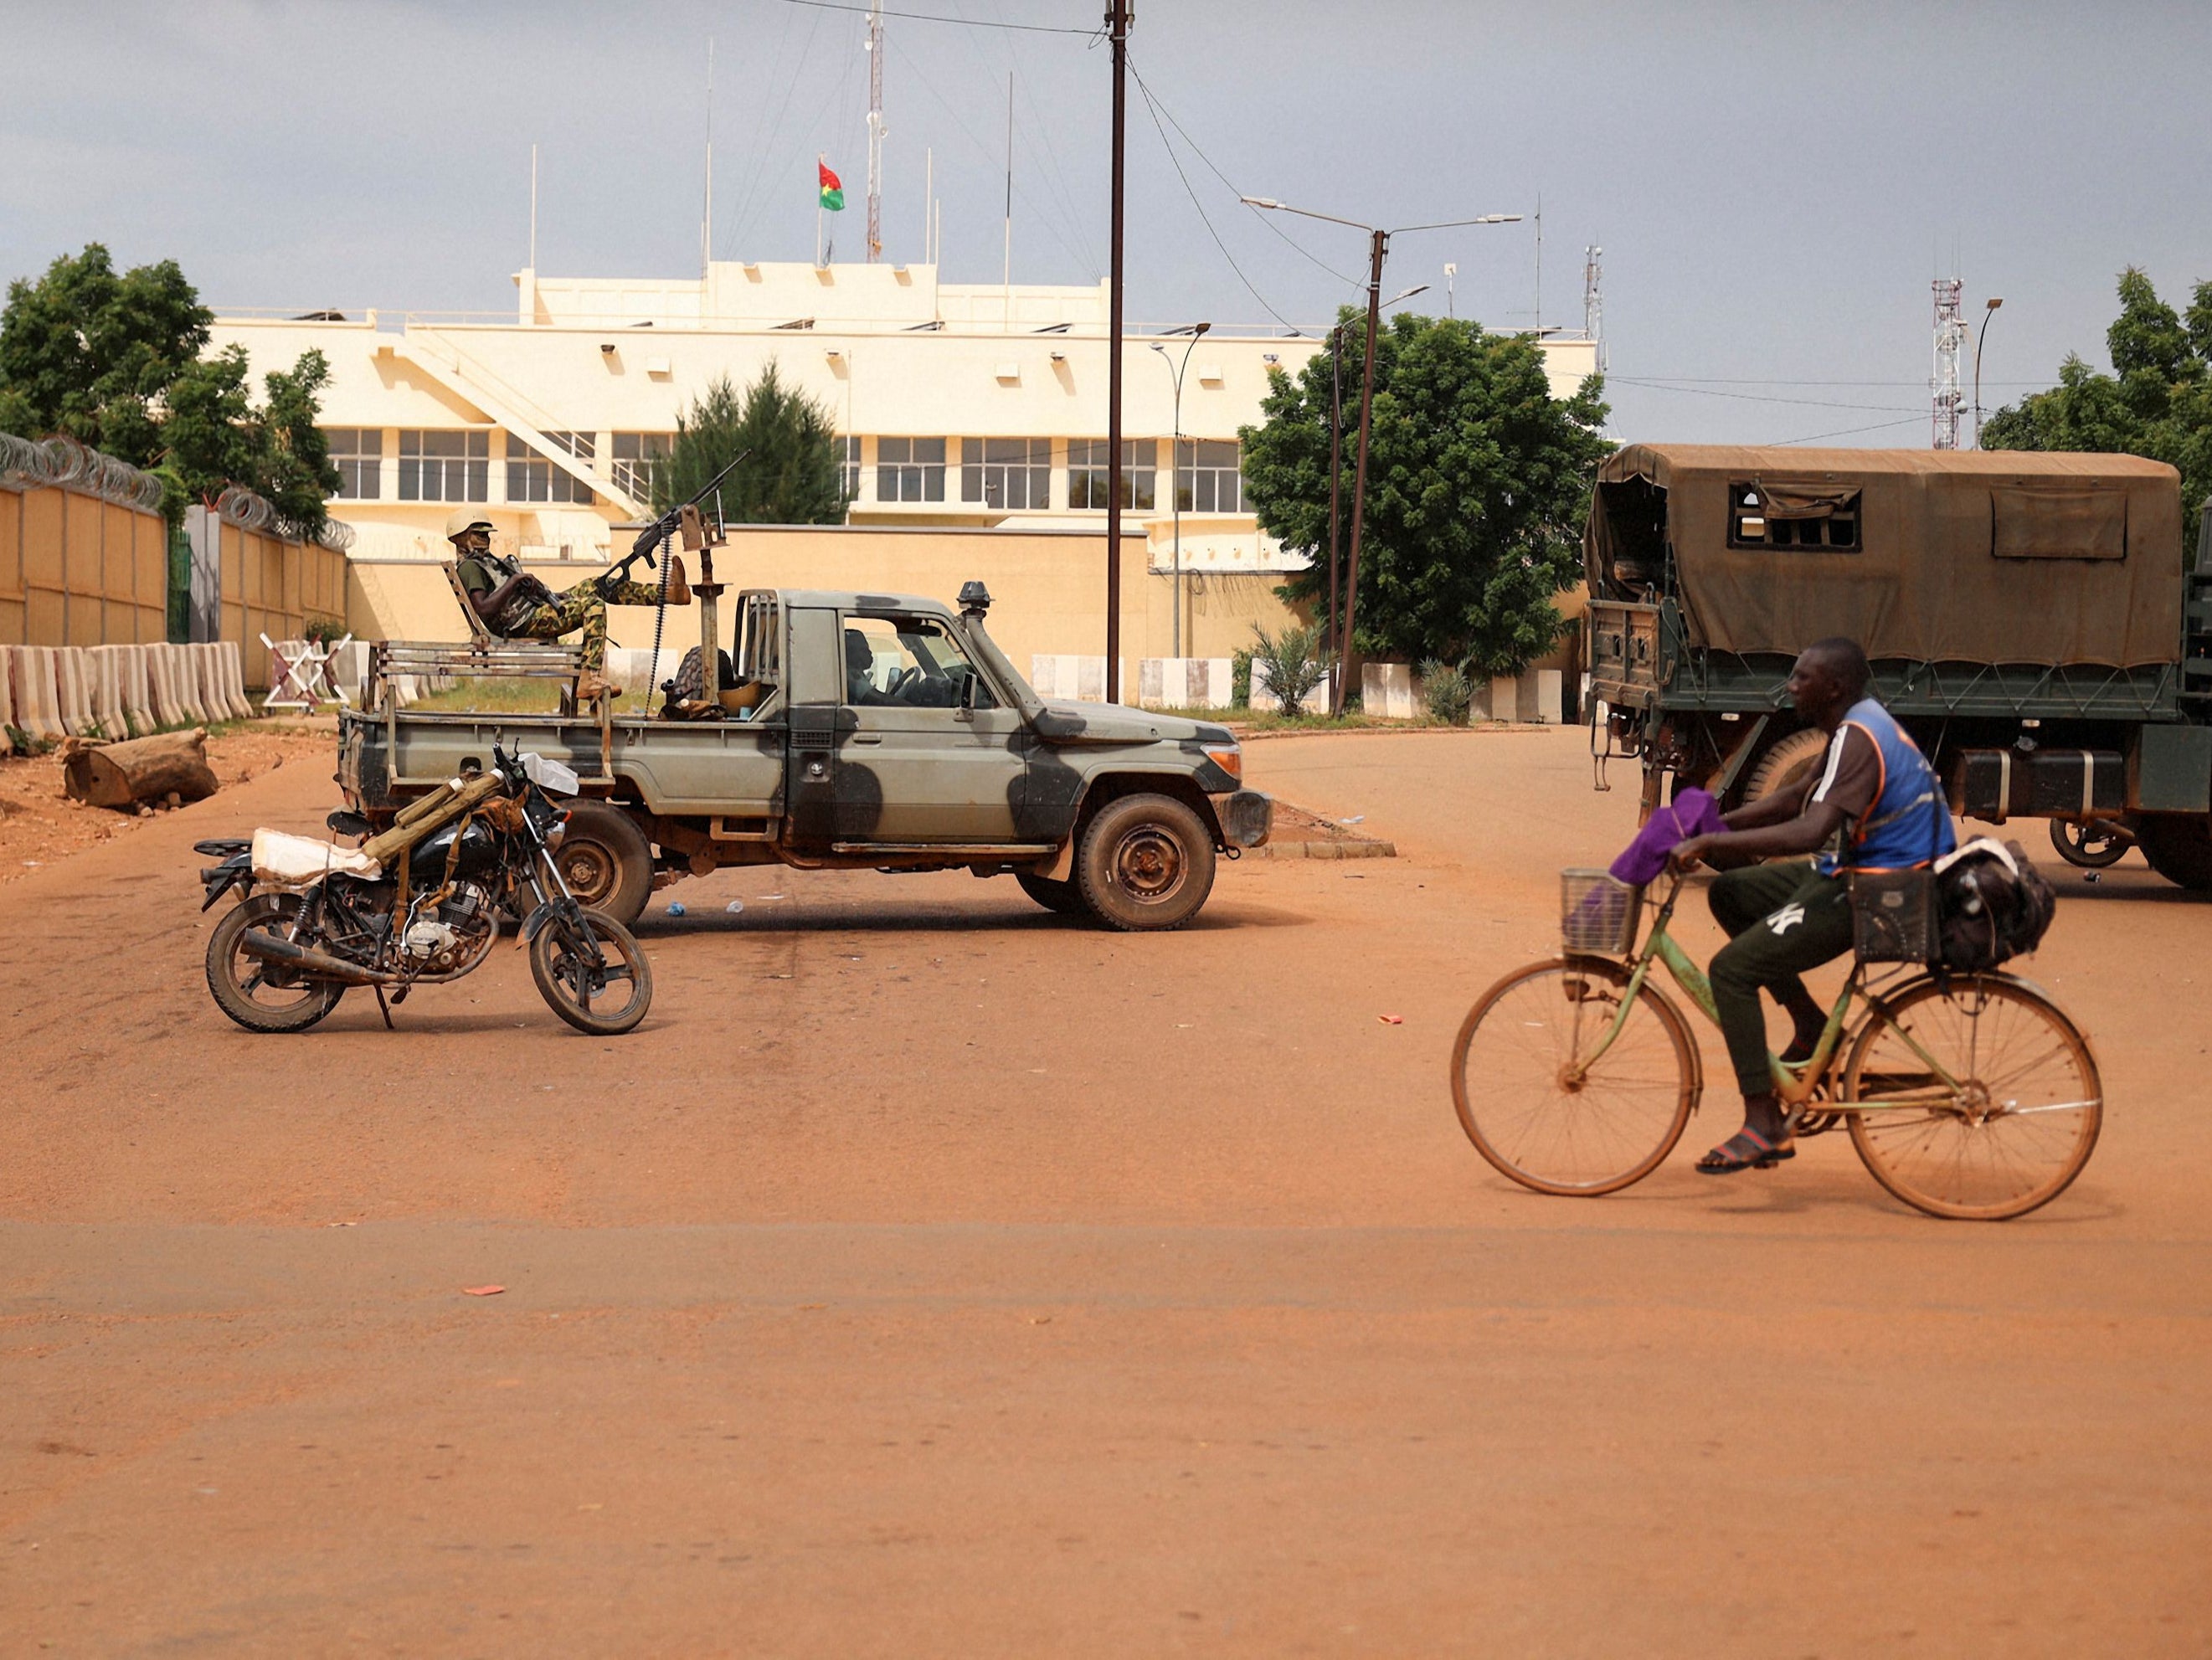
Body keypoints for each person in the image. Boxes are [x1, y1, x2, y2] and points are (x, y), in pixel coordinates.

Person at [1668, 637, 1954, 1174]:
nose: (1791, 686)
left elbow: (1808, 830)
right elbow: (1794, 798)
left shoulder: (1860, 737)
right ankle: (1809, 1024)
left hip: (1884, 890)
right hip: (1862, 869)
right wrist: (1712, 826)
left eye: (1802, 678)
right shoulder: (1855, 723)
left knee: (1730, 971)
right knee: (1731, 892)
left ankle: (1764, 1124)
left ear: (1834, 688)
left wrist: (1707, 846)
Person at [446, 511, 690, 700]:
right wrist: (516, 580)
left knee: (598, 585)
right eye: (480, 534)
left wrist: (538, 591)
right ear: (460, 537)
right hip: (523, 624)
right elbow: (485, 608)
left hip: (533, 611)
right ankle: (589, 678)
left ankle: (668, 594)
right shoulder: (470, 567)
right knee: (592, 606)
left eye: (487, 534)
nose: (486, 539)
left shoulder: (484, 561)